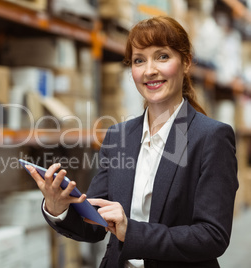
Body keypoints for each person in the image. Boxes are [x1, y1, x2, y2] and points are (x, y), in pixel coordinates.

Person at [26, 16, 238, 268]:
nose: (149, 70)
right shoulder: (119, 137)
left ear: (186, 62)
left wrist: (131, 231)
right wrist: (57, 207)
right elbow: (95, 225)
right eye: (139, 60)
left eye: (162, 56)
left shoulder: (210, 137)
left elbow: (212, 236)